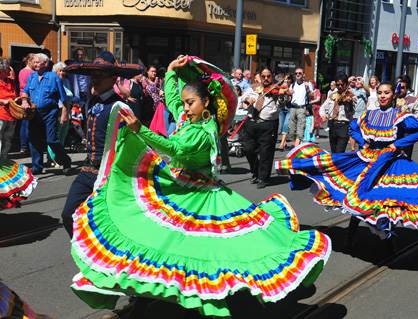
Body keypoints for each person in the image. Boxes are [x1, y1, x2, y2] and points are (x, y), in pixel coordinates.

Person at [66, 55, 331, 318]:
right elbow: (171, 99)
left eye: (190, 102)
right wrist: (170, 70)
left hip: (203, 195)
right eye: (185, 103)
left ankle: (215, 301)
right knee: (160, 246)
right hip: (181, 186)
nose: (185, 107)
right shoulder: (187, 117)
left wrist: (140, 130)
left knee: (206, 255)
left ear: (206, 102)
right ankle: (148, 298)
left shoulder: (206, 129)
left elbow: (176, 148)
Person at [277, 81, 418, 250]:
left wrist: (397, 144)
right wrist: (362, 141)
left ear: (393, 95)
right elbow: (353, 127)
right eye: (380, 93)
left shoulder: (399, 116)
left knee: (386, 199)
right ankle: (349, 237)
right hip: (368, 158)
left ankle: (390, 243)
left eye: (386, 93)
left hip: (390, 161)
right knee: (356, 193)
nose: (382, 96)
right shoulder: (369, 115)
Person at [61, 50, 144, 238]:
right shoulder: (93, 100)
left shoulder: (121, 107)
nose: (95, 79)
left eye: (101, 75)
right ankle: (86, 251)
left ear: (114, 78)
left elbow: (130, 143)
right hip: (87, 169)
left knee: (113, 224)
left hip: (109, 175)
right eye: (93, 75)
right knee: (69, 214)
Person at [21, 53, 72, 175]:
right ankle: (37, 166)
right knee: (33, 139)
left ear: (45, 63)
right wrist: (24, 100)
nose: (35, 64)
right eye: (34, 62)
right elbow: (25, 92)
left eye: (38, 62)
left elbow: (64, 99)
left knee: (51, 140)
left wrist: (64, 115)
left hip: (50, 113)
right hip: (35, 114)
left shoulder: (54, 78)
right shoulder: (32, 77)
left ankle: (65, 161)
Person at [0, 57, 36, 209]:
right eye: (8, 67)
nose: (10, 70)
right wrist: (3, 101)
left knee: (6, 145)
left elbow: (16, 94)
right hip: (0, 115)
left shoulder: (10, 81)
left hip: (10, 116)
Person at [241, 67, 282, 188]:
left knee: (266, 153)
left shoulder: (276, 89)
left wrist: (284, 95)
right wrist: (248, 99)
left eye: (268, 76)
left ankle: (263, 178)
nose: (266, 79)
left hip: (268, 124)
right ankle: (255, 171)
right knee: (248, 149)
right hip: (252, 122)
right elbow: (243, 97)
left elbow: (283, 102)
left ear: (272, 76)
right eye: (263, 76)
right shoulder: (254, 87)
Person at [319, 73, 355, 153]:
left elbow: (352, 112)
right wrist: (323, 115)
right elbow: (322, 107)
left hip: (343, 126)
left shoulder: (351, 95)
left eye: (342, 85)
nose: (340, 87)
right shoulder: (333, 95)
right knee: (334, 151)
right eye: (338, 85)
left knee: (340, 151)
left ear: (346, 84)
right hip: (332, 125)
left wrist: (349, 103)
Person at [46, 62, 73, 167]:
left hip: (66, 111)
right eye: (60, 71)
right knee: (54, 136)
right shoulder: (52, 82)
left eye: (63, 71)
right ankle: (51, 158)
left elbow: (70, 95)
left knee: (62, 136)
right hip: (56, 111)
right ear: (55, 72)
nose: (62, 73)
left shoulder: (66, 82)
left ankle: (59, 157)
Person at [395, 75, 418, 158]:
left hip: (406, 134)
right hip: (392, 134)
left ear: (407, 89)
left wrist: (408, 119)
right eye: (398, 87)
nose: (399, 90)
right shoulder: (392, 98)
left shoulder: (413, 100)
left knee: (404, 158)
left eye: (402, 87)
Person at [289, 68, 314, 146]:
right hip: (293, 108)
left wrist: (307, 89)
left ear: (303, 75)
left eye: (299, 73)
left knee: (300, 127)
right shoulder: (292, 85)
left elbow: (312, 96)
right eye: (296, 73)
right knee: (292, 129)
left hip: (302, 108)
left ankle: (296, 147)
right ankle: (297, 143)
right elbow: (289, 98)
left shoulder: (307, 84)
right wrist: (289, 94)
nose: (298, 75)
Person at [18, 53, 35, 154]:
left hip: (22, 98)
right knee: (28, 124)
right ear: (29, 61)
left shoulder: (21, 71)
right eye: (34, 62)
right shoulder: (32, 73)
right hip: (29, 99)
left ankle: (23, 146)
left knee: (24, 124)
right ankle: (27, 145)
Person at [349, 76, 368, 151]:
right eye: (356, 80)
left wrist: (362, 83)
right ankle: (353, 149)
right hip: (353, 114)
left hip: (361, 115)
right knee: (352, 131)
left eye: (359, 80)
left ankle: (362, 147)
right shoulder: (352, 89)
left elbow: (357, 94)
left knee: (361, 132)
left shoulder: (363, 91)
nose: (357, 82)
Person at [278, 73, 293, 151]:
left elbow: (290, 99)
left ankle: (281, 144)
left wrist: (287, 89)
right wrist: (281, 94)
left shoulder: (293, 87)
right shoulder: (281, 87)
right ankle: (285, 142)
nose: (287, 80)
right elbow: (280, 100)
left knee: (286, 125)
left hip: (289, 109)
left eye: (289, 78)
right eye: (286, 79)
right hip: (282, 108)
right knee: (281, 127)